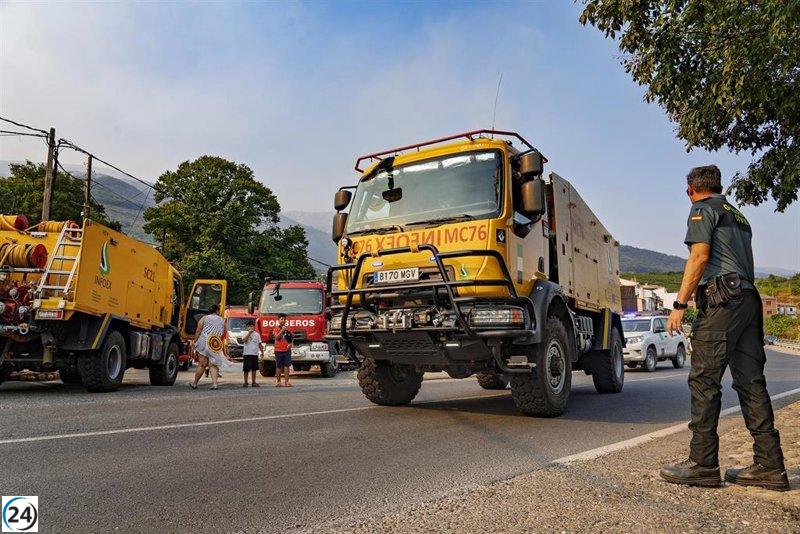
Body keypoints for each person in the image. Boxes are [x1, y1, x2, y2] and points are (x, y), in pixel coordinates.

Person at [660, 165, 788, 491]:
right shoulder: (739, 215)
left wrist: (679, 305)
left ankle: (702, 464)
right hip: (748, 299)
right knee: (750, 382)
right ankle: (770, 465)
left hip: (722, 301)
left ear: (691, 189)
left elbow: (699, 257)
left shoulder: (701, 210)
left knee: (704, 380)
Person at [189, 304, 233, 390]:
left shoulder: (204, 318)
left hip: (203, 342)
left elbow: (198, 331)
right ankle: (215, 384)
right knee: (213, 364)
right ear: (217, 311)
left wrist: (195, 342)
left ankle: (195, 383)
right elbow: (224, 332)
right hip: (214, 343)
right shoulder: (222, 320)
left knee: (202, 364)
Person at [272, 313, 293, 387]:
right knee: (278, 366)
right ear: (278, 320)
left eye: (284, 319)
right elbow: (277, 337)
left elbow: (291, 338)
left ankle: (287, 382)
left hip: (287, 350)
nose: (283, 320)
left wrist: (291, 344)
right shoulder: (276, 328)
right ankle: (278, 382)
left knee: (287, 366)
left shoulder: (289, 328)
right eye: (281, 319)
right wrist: (282, 330)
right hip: (278, 350)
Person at [241, 320, 262, 387]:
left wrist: (262, 352)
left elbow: (259, 344)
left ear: (254, 327)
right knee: (246, 369)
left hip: (255, 354)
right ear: (246, 327)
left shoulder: (257, 334)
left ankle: (253, 382)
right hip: (247, 354)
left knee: (254, 369)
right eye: (248, 326)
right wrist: (249, 333)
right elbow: (243, 340)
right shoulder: (244, 333)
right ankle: (245, 382)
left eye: (252, 326)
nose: (250, 327)